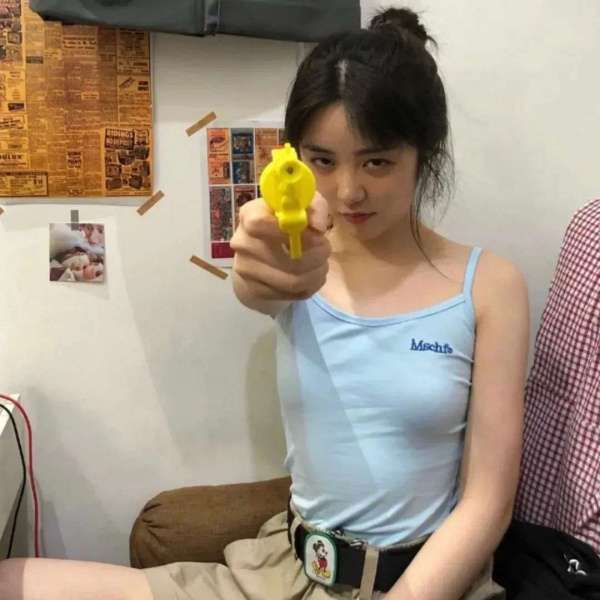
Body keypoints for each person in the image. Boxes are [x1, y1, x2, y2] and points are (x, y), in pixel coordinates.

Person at [0, 7, 529, 600]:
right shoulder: (298, 256)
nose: (349, 190)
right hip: (283, 572)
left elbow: (488, 502)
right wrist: (257, 259)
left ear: (422, 152)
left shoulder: (490, 287)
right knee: (14, 581)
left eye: (377, 161)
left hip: (421, 587)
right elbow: (260, 282)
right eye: (323, 160)